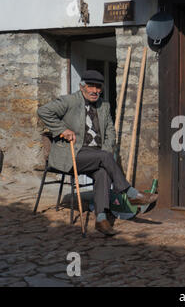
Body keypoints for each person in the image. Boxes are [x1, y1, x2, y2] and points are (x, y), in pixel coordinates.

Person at [37, 70, 157, 236]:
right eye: (90, 86)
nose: (94, 90)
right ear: (82, 87)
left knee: (102, 172)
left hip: (96, 156)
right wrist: (62, 129)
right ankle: (130, 193)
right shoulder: (69, 100)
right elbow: (43, 111)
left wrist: (106, 152)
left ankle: (101, 219)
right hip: (71, 155)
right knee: (104, 158)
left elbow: (110, 133)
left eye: (98, 87)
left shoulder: (104, 105)